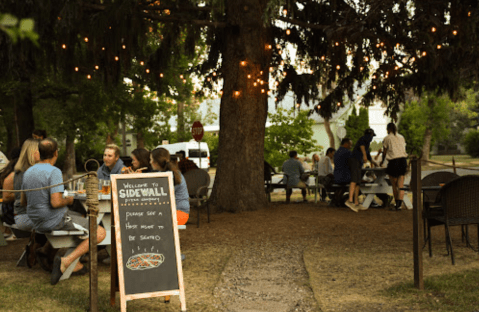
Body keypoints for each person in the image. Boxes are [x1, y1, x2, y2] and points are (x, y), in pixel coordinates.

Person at [21, 138, 106, 285]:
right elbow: (56, 202)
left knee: (79, 217)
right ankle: (66, 261)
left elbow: (24, 201)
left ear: (39, 153)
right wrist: (70, 200)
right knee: (100, 232)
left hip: (36, 222)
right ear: (55, 153)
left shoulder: (29, 171)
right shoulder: (54, 171)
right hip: (53, 220)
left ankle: (49, 253)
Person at [2, 139, 40, 232]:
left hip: (21, 213)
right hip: (15, 213)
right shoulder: (19, 173)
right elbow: (6, 197)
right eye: (40, 150)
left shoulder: (24, 171)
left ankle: (37, 245)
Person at [150, 148, 190, 226]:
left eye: (151, 159)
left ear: (156, 162)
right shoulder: (170, 173)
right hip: (179, 212)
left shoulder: (169, 176)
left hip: (178, 213)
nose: (150, 162)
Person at [381, 123, 408, 211]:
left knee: (394, 185)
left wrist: (382, 162)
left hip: (394, 161)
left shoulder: (387, 138)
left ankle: (397, 203)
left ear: (388, 129)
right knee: (401, 184)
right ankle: (399, 205)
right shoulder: (401, 137)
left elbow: (384, 152)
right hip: (403, 160)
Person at [1, 147, 21, 239]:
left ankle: (8, 231)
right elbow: (6, 197)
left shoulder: (9, 169)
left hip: (7, 209)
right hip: (10, 211)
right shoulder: (14, 173)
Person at [333, 138, 357, 209]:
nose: (351, 147)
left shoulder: (336, 152)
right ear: (346, 144)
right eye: (350, 145)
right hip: (345, 176)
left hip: (337, 175)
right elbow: (352, 163)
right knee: (357, 183)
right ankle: (347, 200)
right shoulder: (347, 152)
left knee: (341, 187)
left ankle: (337, 200)